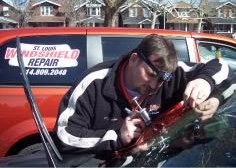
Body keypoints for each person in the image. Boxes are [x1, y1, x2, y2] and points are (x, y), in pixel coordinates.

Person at [52, 34, 234, 166]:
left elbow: (222, 66)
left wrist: (205, 82)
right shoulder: (94, 83)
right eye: (151, 75)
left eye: (163, 80)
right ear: (134, 59)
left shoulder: (172, 74)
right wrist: (117, 138)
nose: (156, 85)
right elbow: (64, 135)